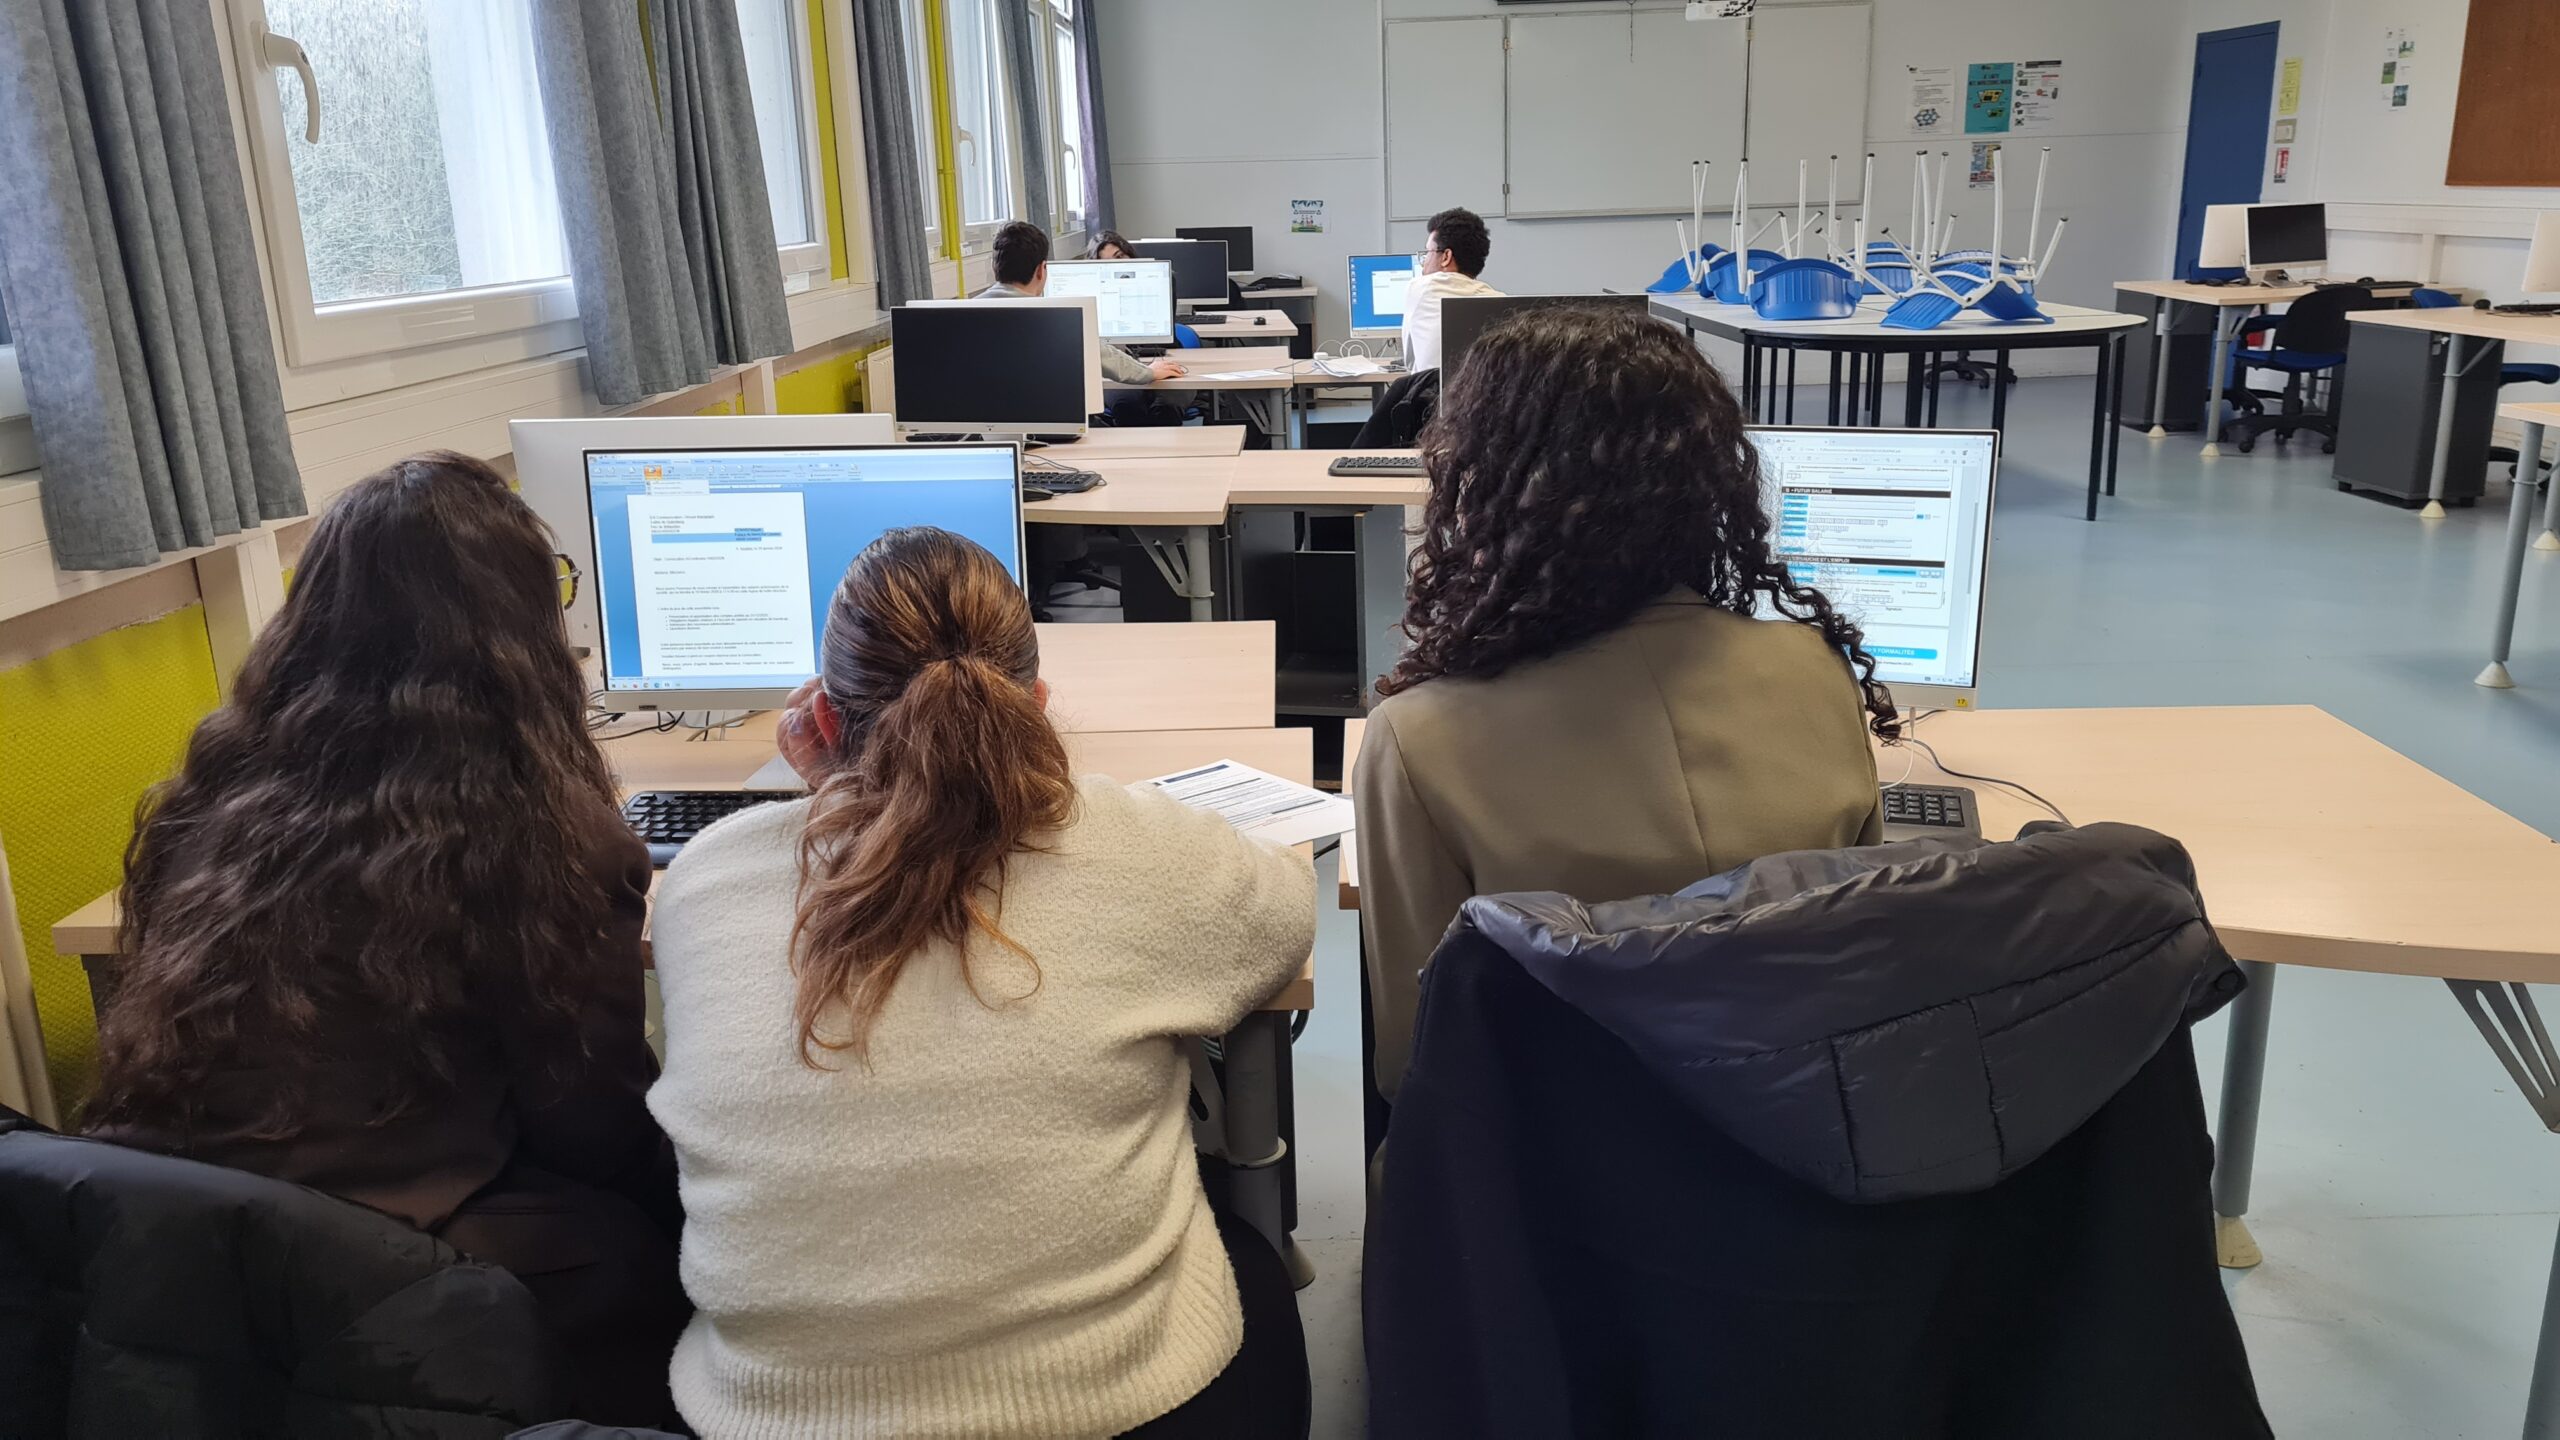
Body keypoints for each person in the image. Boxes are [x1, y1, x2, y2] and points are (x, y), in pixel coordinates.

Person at [647, 527, 1315, 1439]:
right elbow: (1286, 916)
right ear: (1034, 707)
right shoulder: (1137, 847)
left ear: (827, 724)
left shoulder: (704, 880)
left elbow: (875, 846)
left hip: (776, 1416)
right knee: (1252, 1259)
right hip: (1107, 1405)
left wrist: (835, 793)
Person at [84, 452, 688, 1427]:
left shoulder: (213, 793)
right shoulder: (547, 837)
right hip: (368, 1266)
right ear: (522, 633)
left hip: (160, 1241)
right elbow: (592, 1127)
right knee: (661, 1239)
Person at [1354, 306, 1896, 1106]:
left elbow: (1416, 1060)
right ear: (1709, 480)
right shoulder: (1817, 670)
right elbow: (1860, 949)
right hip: (1811, 1136)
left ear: (1483, 482)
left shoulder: (1416, 739)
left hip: (1552, 1162)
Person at [981, 218, 1184, 384]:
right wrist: (1149, 372)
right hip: (1052, 421)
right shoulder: (1056, 321)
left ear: (994, 266)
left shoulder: (964, 314)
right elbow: (1108, 359)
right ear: (1042, 270)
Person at [1401, 206, 1504, 371]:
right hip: (1481, 388)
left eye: (1428, 252)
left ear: (1446, 257)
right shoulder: (1500, 300)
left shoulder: (1420, 288)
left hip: (1434, 388)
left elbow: (1411, 362)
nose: (1424, 262)